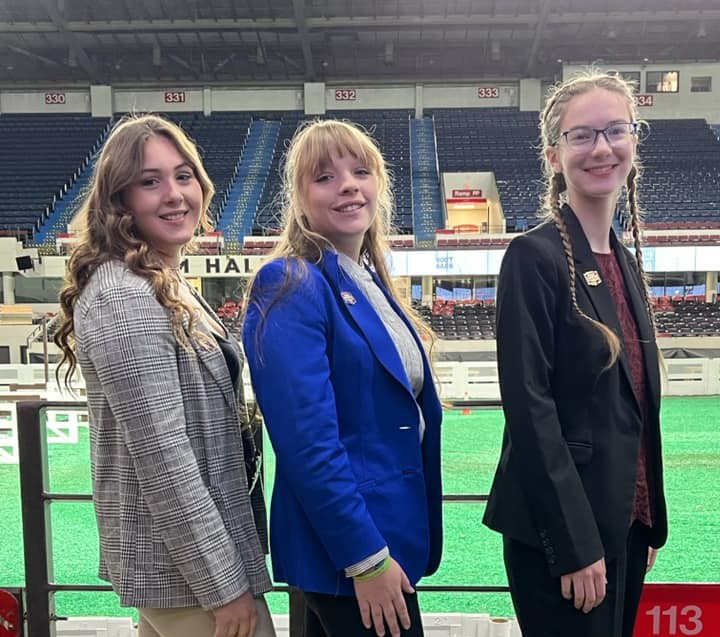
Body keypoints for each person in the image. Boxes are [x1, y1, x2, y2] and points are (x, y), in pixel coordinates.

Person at [54, 113, 275, 637]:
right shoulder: (124, 297)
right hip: (186, 576)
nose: (176, 194)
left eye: (184, 175)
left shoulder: (160, 278)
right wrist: (226, 588)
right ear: (120, 200)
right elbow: (164, 461)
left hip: (182, 566)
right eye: (150, 181)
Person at [482, 71, 668, 637]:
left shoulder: (625, 261)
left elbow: (632, 407)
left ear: (634, 141)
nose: (602, 147)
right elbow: (530, 408)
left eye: (616, 130)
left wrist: (643, 519)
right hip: (566, 536)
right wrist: (576, 544)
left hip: (624, 525)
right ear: (554, 155)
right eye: (582, 135)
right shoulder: (532, 258)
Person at [242, 119, 443, 637]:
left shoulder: (369, 279)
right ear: (300, 198)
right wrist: (365, 559)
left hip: (383, 539)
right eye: (325, 177)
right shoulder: (289, 282)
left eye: (361, 171)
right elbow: (307, 442)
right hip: (351, 556)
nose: (349, 184)